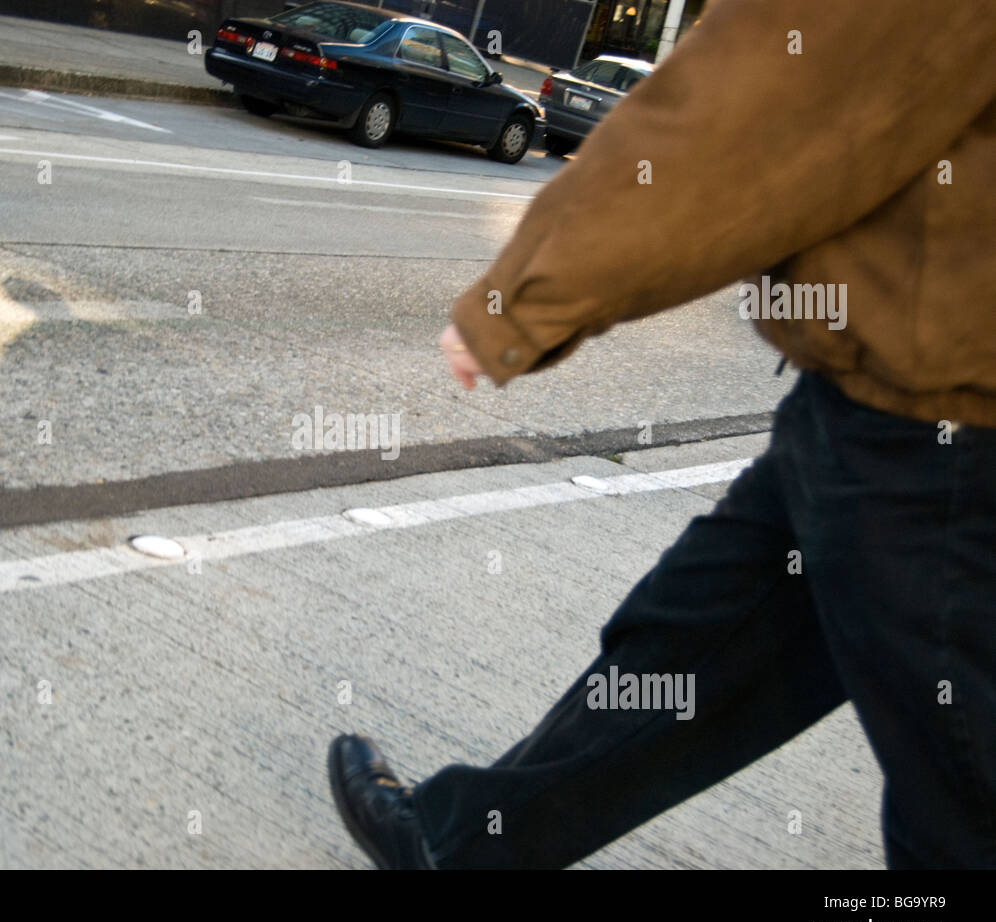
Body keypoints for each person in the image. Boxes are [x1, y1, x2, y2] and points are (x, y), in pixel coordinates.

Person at [328, 0, 996, 869]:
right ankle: (461, 846)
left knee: (963, 799)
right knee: (687, 649)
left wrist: (529, 293)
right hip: (883, 403)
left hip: (943, 431)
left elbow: (762, 98)